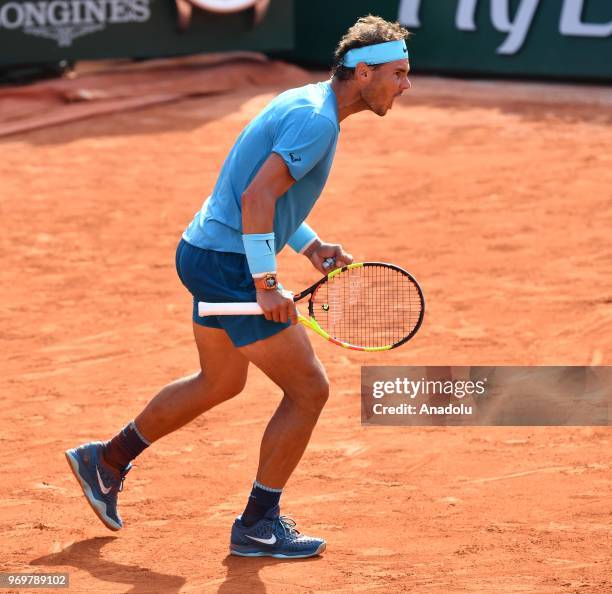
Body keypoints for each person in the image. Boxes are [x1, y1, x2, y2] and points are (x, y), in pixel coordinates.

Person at [65, 15, 411, 559]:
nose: (406, 85)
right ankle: (258, 523)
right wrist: (266, 281)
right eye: (398, 73)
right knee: (309, 391)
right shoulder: (316, 123)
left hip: (204, 250)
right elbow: (255, 199)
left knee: (220, 381)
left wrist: (310, 246)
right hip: (227, 263)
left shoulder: (309, 102)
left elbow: (264, 195)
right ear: (364, 73)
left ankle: (105, 461)